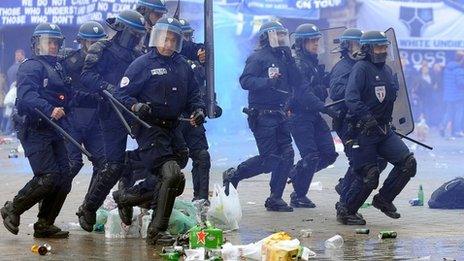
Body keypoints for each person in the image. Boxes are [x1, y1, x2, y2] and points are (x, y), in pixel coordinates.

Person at [114, 17, 205, 245]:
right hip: (149, 127)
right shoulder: (142, 64)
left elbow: (194, 95)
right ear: (156, 38)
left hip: (173, 127)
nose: (168, 43)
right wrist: (135, 106)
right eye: (165, 38)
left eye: (173, 39)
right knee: (171, 173)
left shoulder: (183, 65)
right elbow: (121, 95)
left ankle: (125, 197)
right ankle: (156, 230)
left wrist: (198, 109)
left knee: (176, 181)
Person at [76, 10, 146, 232]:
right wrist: (107, 88)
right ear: (124, 30)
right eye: (134, 34)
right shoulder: (101, 48)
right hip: (110, 112)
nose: (136, 38)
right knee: (113, 165)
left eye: (139, 35)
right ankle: (88, 207)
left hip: (132, 111)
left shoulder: (137, 55)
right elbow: (86, 76)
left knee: (153, 159)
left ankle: (125, 198)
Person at [1, 23, 71, 238]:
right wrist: (50, 110)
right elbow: (27, 97)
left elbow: (67, 95)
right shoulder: (31, 66)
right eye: (47, 42)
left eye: (55, 42)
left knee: (64, 177)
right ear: (36, 44)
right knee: (48, 176)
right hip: (34, 127)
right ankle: (13, 208)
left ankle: (44, 224)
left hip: (53, 128)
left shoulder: (58, 67)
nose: (51, 46)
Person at [223, 21, 299, 212]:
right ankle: (234, 175)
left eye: (284, 35)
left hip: (280, 112)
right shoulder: (258, 57)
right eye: (278, 35)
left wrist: (291, 61)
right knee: (269, 159)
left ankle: (275, 198)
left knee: (287, 154)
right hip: (262, 114)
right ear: (267, 37)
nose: (282, 39)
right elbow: (245, 80)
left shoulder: (284, 58)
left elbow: (297, 81)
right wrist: (267, 82)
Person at [343, 31, 417, 223]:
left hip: (384, 130)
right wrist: (366, 117)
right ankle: (347, 211)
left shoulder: (387, 71)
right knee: (370, 174)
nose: (383, 51)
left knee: (408, 164)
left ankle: (383, 200)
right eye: (378, 47)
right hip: (363, 131)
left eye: (385, 47)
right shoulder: (361, 68)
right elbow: (351, 98)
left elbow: (389, 99)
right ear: (367, 49)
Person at [286, 23, 339, 209]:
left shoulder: (312, 62)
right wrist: (326, 109)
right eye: (312, 41)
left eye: (317, 40)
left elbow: (321, 83)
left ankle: (296, 172)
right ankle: (298, 195)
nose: (316, 44)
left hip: (313, 114)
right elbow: (304, 94)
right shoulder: (299, 64)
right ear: (301, 43)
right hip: (300, 115)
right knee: (311, 156)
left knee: (329, 154)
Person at [61, 21, 107, 187]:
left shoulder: (105, 62)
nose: (94, 46)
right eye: (90, 42)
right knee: (72, 164)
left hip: (96, 119)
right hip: (73, 117)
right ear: (81, 42)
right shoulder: (69, 62)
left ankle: (89, 206)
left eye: (97, 42)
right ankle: (50, 197)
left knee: (104, 165)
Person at [440, 50, 464, 138]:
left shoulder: (447, 68)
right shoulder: (459, 70)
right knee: (459, 113)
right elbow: (461, 83)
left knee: (449, 112)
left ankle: (442, 126)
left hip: (448, 95)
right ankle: (457, 131)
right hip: (459, 96)